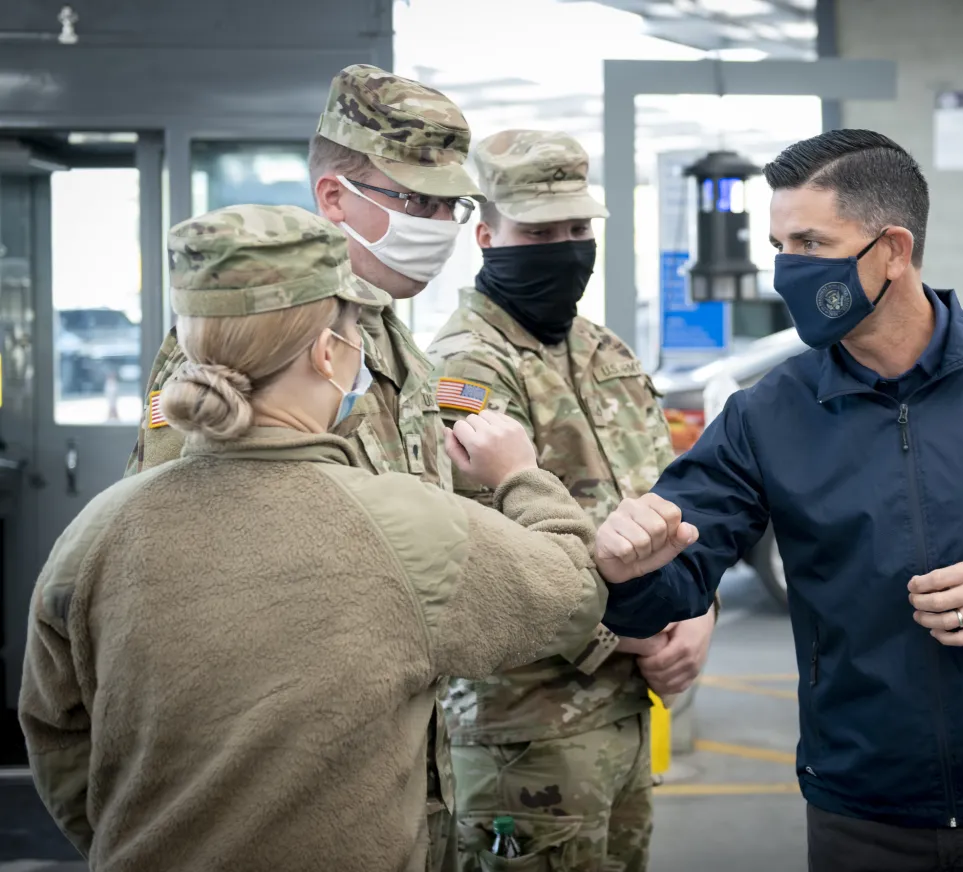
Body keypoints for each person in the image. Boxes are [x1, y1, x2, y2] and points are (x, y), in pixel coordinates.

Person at [591, 130, 963, 872]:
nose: (787, 269)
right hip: (864, 811)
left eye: (810, 242)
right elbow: (671, 586)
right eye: (778, 244)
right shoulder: (769, 415)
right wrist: (626, 566)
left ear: (893, 249)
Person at [19, 205, 610, 871]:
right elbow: (571, 591)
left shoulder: (95, 533)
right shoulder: (405, 526)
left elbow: (58, 734)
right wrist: (522, 475)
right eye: (355, 326)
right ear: (329, 353)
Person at [123, 64, 485, 870]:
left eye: (448, 207)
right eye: (414, 201)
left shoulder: (394, 341)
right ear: (333, 199)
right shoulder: (254, 339)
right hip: (284, 789)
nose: (438, 225)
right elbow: (177, 570)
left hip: (396, 769)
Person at [427, 129, 716, 871]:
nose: (564, 246)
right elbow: (476, 562)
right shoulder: (468, 370)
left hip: (620, 717)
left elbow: (671, 501)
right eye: (538, 231)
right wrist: (631, 636)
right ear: (487, 235)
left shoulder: (603, 351)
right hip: (525, 734)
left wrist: (696, 612)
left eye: (577, 228)